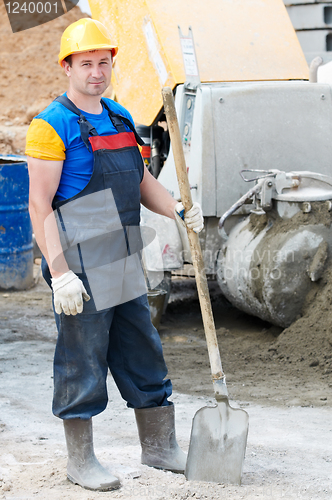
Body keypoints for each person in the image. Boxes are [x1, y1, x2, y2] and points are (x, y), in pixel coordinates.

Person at [25, 18, 204, 492]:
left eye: (103, 63)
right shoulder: (51, 125)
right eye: (86, 63)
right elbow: (39, 204)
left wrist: (177, 208)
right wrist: (59, 273)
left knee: (141, 346)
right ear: (68, 67)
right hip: (79, 255)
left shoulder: (121, 117)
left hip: (120, 249)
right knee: (82, 357)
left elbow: (142, 182)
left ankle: (160, 447)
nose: (96, 72)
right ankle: (80, 459)